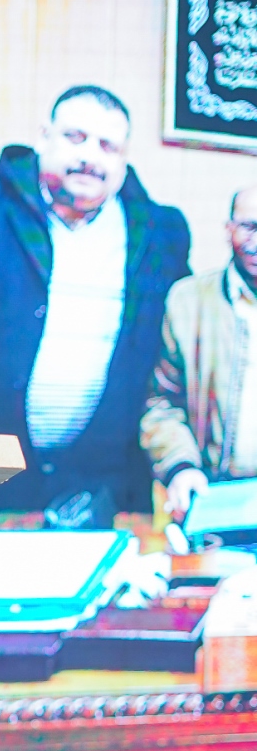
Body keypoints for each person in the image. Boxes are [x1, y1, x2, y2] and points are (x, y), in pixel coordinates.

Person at [0, 86, 191, 569]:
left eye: (107, 146)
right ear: (44, 137)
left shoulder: (160, 232)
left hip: (100, 490)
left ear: (124, 160)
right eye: (75, 137)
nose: (90, 157)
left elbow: (174, 359)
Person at [142, 184, 257, 515]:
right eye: (250, 226)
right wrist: (181, 466)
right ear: (228, 229)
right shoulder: (187, 301)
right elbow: (161, 402)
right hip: (210, 495)